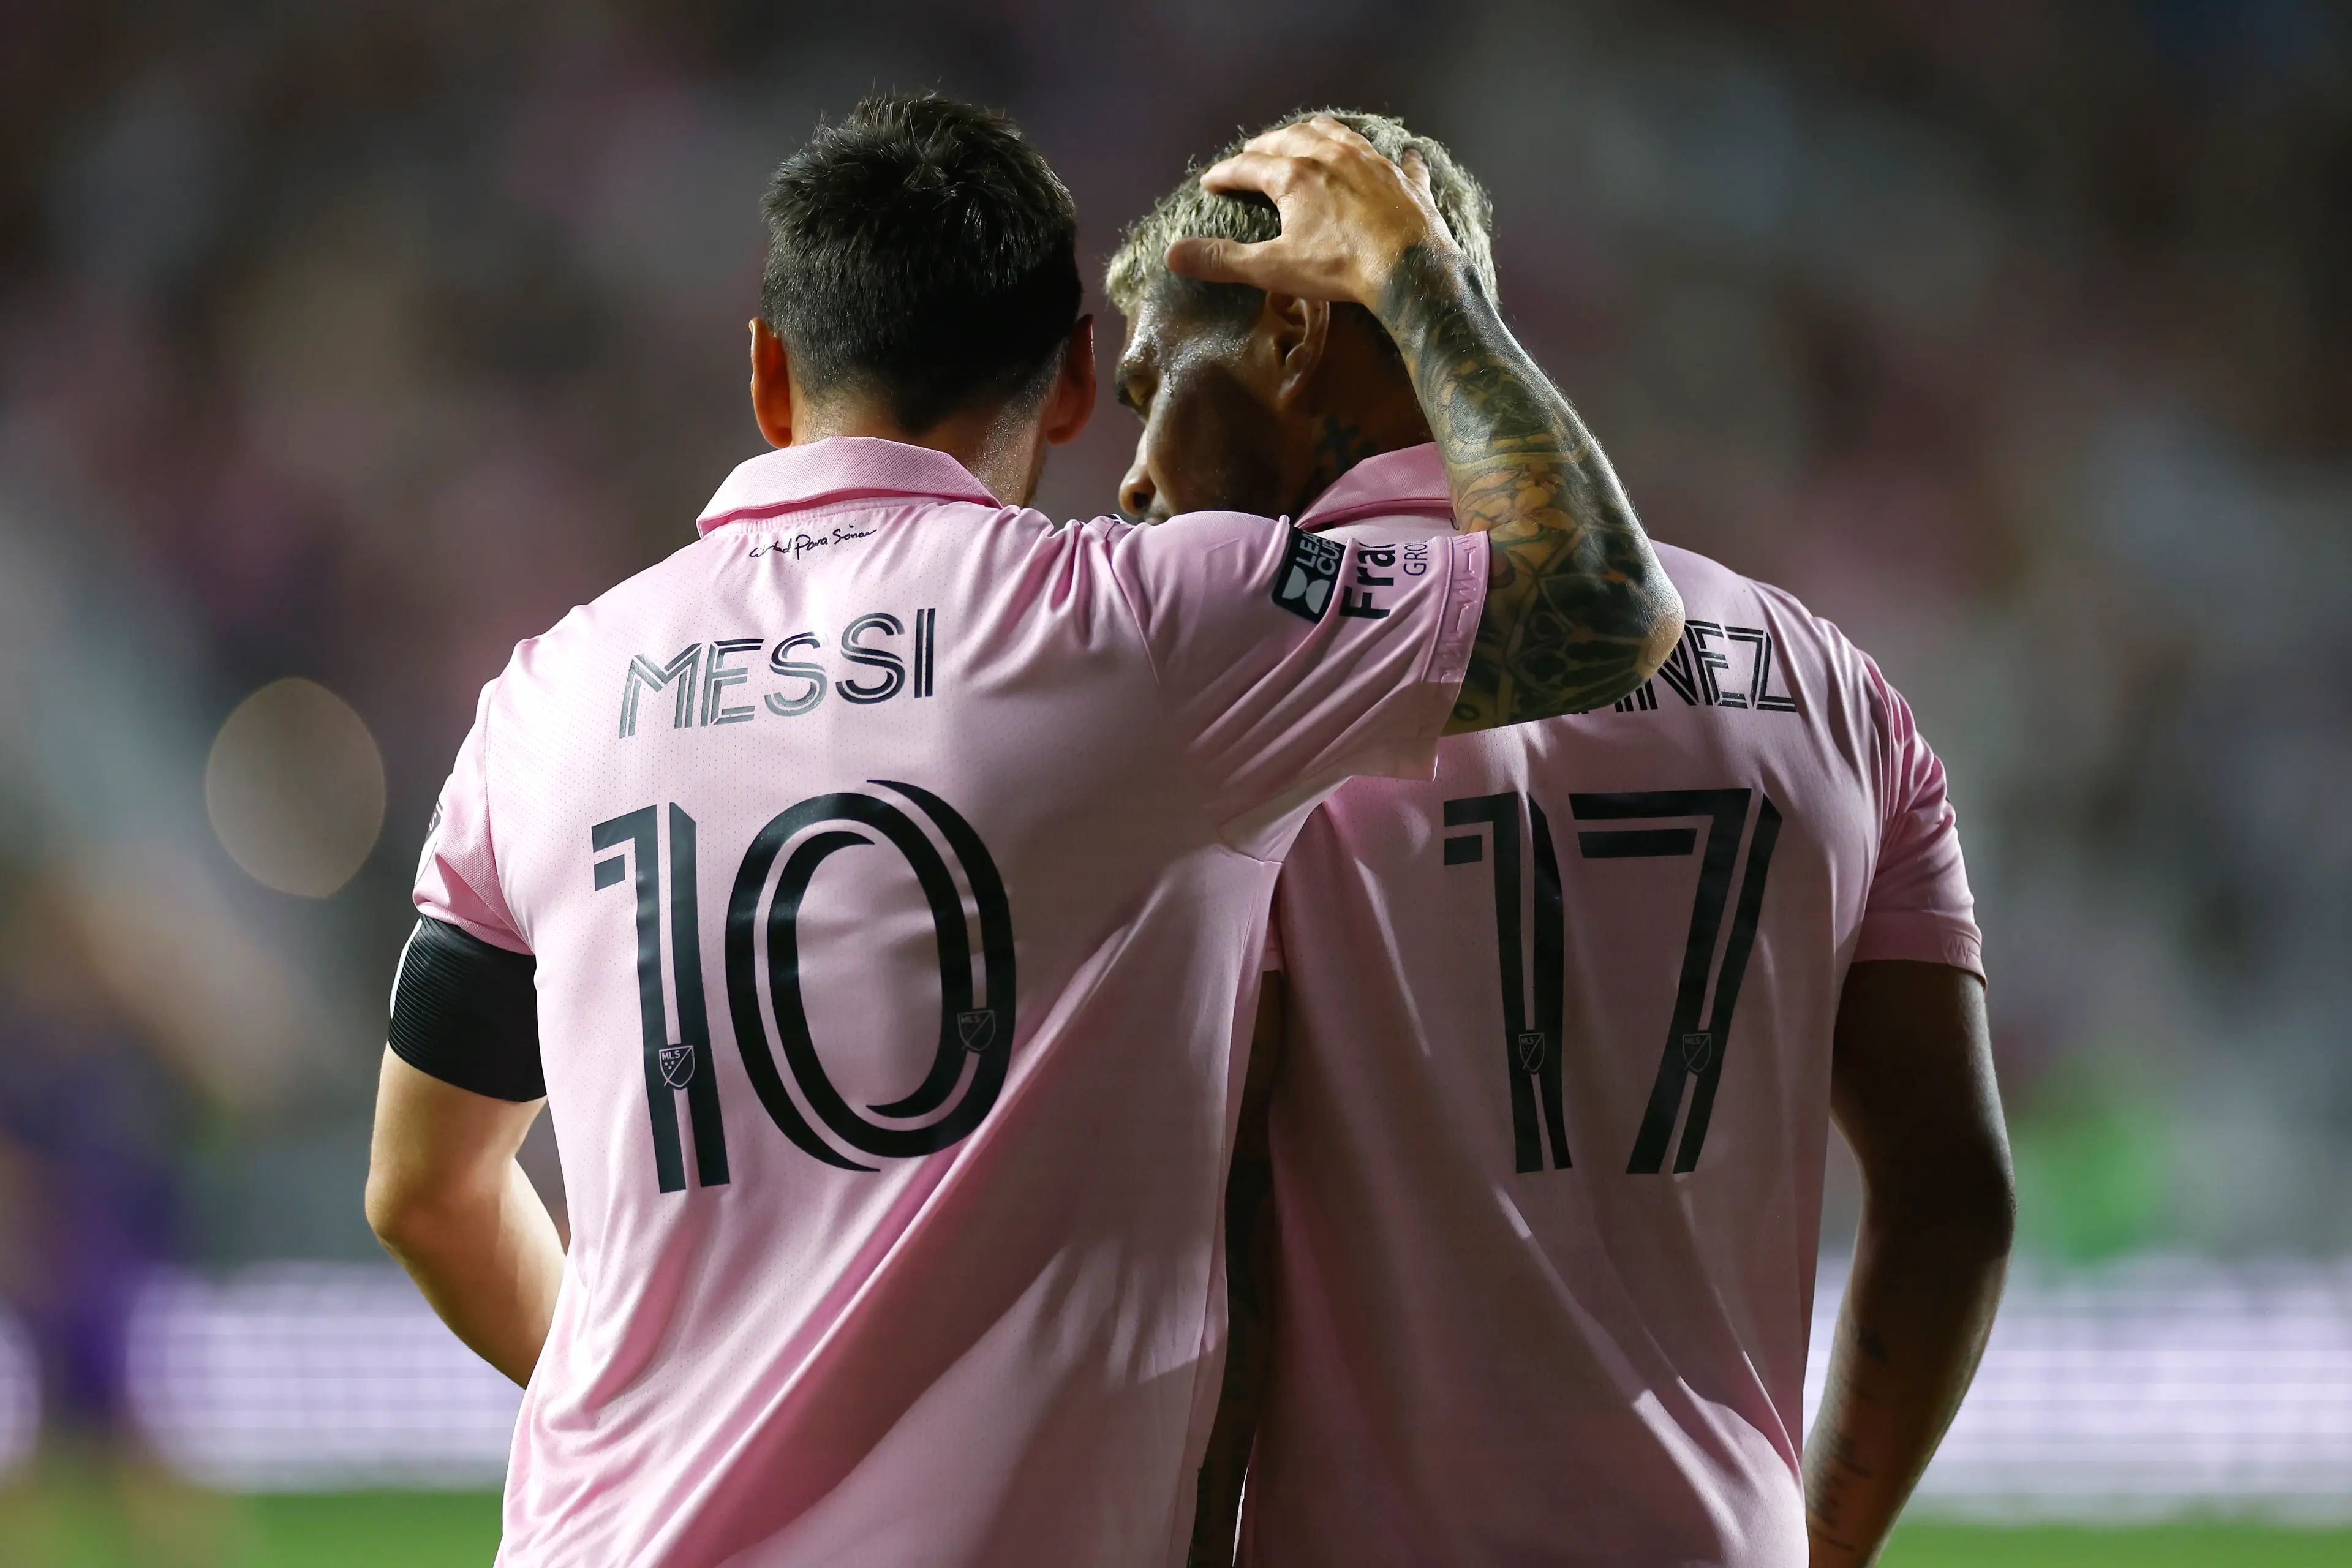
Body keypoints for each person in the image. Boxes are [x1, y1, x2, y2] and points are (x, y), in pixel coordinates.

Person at [363, 96, 1681, 1567]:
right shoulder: (1147, 629)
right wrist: (1414, 274)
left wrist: (671, 1429)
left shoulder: (545, 698)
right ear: (1069, 381)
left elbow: (423, 1187)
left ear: (766, 372)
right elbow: (1602, 608)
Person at [1106, 111, 2015, 1568]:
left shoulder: (1217, 685)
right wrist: (1815, 1547)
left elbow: (1223, 1248)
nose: (1134, 476)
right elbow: (1956, 1194)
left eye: (1154, 383)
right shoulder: (1827, 683)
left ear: (1289, 336)